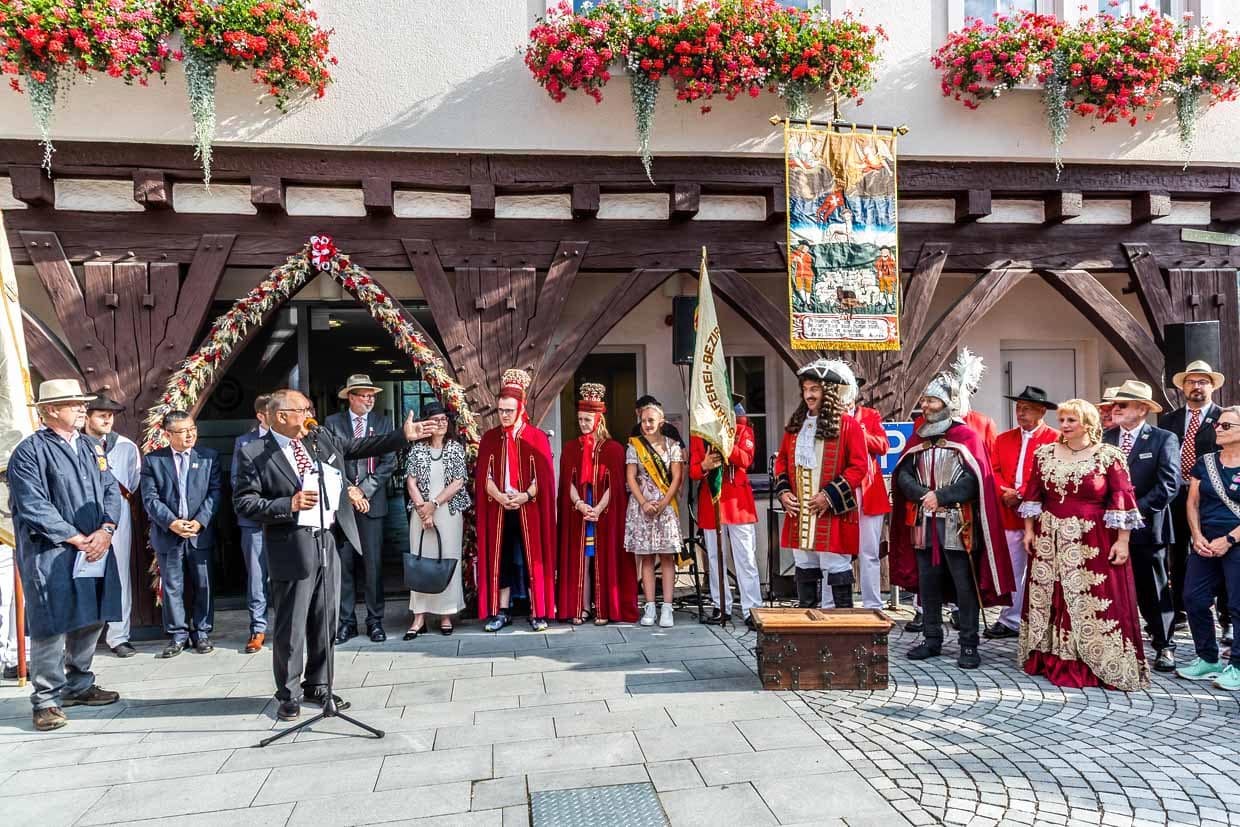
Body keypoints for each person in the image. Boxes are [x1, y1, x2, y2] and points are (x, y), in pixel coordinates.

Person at [233, 388, 428, 721]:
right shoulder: (254, 452)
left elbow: (356, 447)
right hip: (292, 545)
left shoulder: (317, 438)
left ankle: (318, 683)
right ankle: (289, 693)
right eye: (304, 408)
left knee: (326, 618)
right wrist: (287, 504)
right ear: (282, 416)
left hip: (328, 540)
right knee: (292, 624)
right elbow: (244, 501)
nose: (311, 413)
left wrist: (400, 436)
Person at [8, 379, 122, 731]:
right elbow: (33, 505)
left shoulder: (92, 447)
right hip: (51, 553)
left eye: (80, 403)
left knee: (93, 615)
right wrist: (75, 537)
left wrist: (105, 530)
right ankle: (46, 700)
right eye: (73, 404)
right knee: (52, 623)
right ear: (50, 410)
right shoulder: (29, 451)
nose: (81, 409)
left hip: (94, 547)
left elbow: (110, 490)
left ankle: (79, 683)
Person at [1018, 398, 1148, 691]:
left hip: (1094, 536)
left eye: (1070, 421)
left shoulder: (1108, 456)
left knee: (1092, 595)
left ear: (1088, 424)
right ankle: (1051, 655)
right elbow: (1033, 493)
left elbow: (1122, 498)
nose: (1063, 426)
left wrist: (1123, 541)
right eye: (1062, 420)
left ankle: (1094, 658)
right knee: (1055, 593)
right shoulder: (1045, 453)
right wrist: (1029, 532)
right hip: (1049, 535)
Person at [890, 369, 1013, 669]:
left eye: (933, 401)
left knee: (963, 586)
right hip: (923, 523)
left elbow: (976, 480)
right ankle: (932, 639)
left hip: (959, 524)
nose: (926, 405)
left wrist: (941, 496)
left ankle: (968, 644)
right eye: (925, 400)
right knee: (927, 584)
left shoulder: (966, 436)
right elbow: (903, 473)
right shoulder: (918, 436)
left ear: (947, 404)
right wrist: (922, 494)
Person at [774, 360, 868, 611]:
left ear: (829, 392)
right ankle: (808, 625)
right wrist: (783, 493)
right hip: (800, 512)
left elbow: (859, 467)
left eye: (814, 389)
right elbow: (782, 461)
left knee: (836, 566)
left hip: (831, 511)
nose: (809, 395)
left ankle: (844, 625)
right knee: (804, 565)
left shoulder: (849, 425)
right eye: (805, 389)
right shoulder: (795, 426)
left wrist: (829, 495)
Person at [1102, 380, 1180, 672]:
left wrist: (1131, 513)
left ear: (1143, 408)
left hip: (1149, 528)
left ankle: (1164, 645)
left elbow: (1169, 485)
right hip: (1109, 529)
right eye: (1115, 403)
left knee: (1153, 589)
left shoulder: (1163, 438)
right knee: (1112, 588)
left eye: (1123, 404)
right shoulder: (1105, 438)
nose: (1116, 408)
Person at [475, 369, 557, 633]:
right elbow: (482, 476)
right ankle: (502, 611)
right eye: (500, 410)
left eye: (509, 410)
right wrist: (499, 496)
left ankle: (537, 611)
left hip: (528, 506)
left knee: (534, 558)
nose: (504, 415)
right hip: (499, 508)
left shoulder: (537, 437)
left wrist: (525, 495)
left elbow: (543, 479)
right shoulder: (489, 439)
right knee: (503, 558)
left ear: (521, 409)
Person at [140, 411, 222, 658]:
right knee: (173, 586)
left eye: (193, 429)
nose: (190, 435)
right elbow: (150, 498)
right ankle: (177, 635)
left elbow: (215, 492)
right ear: (167, 435)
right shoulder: (154, 460)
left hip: (199, 533)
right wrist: (172, 522)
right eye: (183, 431)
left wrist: (200, 521)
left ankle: (202, 632)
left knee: (203, 583)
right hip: (169, 533)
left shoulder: (208, 457)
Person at [1159, 360, 1230, 644]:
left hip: (1212, 498)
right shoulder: (1169, 420)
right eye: (1191, 381)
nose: (1196, 386)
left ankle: (1226, 620)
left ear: (1212, 386)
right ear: (1183, 387)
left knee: (1219, 554)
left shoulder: (1224, 418)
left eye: (1202, 381)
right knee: (1175, 555)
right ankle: (1178, 613)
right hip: (1176, 495)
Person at [326, 374, 398, 644]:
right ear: (350, 398)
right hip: (343, 506)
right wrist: (349, 490)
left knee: (373, 565)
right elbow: (329, 461)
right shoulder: (332, 424)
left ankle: (375, 620)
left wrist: (364, 489)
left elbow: (388, 462)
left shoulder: (382, 422)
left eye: (372, 395)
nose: (369, 399)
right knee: (344, 566)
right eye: (364, 395)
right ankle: (347, 622)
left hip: (372, 503)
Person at [557, 383, 637, 626]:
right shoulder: (571, 448)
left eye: (587, 419)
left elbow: (615, 484)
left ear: (599, 419)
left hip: (603, 513)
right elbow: (566, 483)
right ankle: (582, 607)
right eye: (580, 419)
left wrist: (599, 509)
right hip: (579, 512)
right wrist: (581, 504)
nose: (583, 423)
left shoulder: (613, 450)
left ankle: (604, 608)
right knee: (583, 559)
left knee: (603, 558)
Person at [985, 386, 1059, 641]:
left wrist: (1023, 493)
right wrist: (1005, 492)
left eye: (1026, 408)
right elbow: (991, 470)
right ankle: (1010, 618)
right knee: (1014, 568)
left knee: (1043, 568)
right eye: (1018, 408)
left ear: (1041, 411)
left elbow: (1049, 475)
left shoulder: (1055, 439)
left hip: (1042, 513)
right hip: (1008, 511)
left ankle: (1044, 618)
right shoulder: (1003, 439)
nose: (1021, 412)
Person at [1177, 405, 1240, 690]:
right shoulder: (1205, 461)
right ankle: (1208, 658)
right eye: (1218, 425)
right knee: (1193, 597)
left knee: (1238, 604)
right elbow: (1192, 502)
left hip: (1236, 540)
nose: (1218, 429)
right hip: (1205, 539)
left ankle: (1237, 665)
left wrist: (1229, 540)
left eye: (1227, 426)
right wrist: (1196, 534)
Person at [691, 394, 760, 627]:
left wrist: (724, 442)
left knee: (746, 559)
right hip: (711, 502)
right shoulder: (699, 434)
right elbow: (692, 470)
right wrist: (703, 466)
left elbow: (746, 459)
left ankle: (753, 609)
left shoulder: (743, 431)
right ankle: (721, 606)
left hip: (738, 503)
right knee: (714, 558)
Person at [404, 401, 470, 638]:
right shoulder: (417, 449)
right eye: (435, 420)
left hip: (448, 511)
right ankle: (418, 617)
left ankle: (445, 614)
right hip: (420, 512)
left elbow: (458, 481)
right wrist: (423, 509)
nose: (441, 423)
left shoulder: (455, 448)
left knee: (446, 559)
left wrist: (434, 504)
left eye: (444, 419)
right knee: (421, 560)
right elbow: (410, 482)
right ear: (427, 424)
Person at [82, 395, 141, 658]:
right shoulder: (75, 444)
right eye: (100, 414)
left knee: (120, 572)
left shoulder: (126, 446)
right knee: (81, 573)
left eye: (111, 414)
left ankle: (119, 636)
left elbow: (133, 481)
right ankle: (80, 638)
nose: (107, 418)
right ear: (86, 416)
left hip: (118, 511)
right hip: (82, 513)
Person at [626, 399, 685, 628]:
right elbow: (631, 477)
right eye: (643, 421)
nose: (647, 424)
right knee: (647, 558)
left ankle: (667, 607)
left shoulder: (672, 446)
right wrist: (643, 502)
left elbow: (677, 477)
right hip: (642, 507)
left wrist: (662, 503)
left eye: (651, 420)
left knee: (667, 557)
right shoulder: (634, 445)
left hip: (665, 506)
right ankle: (650, 606)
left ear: (662, 421)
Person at [231, 393, 272, 653]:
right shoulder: (244, 442)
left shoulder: (290, 439)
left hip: (286, 518)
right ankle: (258, 628)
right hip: (255, 519)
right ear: (261, 415)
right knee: (257, 576)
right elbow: (237, 481)